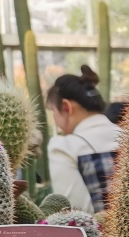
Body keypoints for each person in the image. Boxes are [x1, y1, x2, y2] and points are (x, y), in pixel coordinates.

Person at [46, 65, 121, 214]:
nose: (55, 120)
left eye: (53, 111)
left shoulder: (64, 147)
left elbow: (74, 215)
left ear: (66, 107)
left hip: (100, 235)